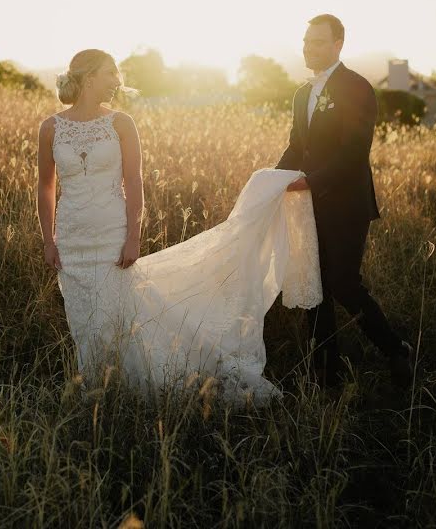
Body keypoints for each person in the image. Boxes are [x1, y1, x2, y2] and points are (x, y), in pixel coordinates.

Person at [37, 49, 322, 405]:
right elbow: (46, 187)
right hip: (72, 237)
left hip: (112, 233)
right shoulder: (51, 128)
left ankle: (135, 388)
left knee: (119, 315)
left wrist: (132, 237)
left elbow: (134, 182)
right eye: (110, 74)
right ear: (89, 77)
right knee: (84, 319)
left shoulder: (121, 123)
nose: (117, 81)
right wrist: (49, 240)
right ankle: (97, 388)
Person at [277, 14, 414, 388]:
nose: (308, 47)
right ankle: (326, 369)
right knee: (313, 282)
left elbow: (355, 150)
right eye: (306, 41)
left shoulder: (357, 87)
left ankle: (395, 349)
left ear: (338, 44)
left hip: (346, 202)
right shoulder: (301, 93)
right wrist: (273, 180)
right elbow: (296, 146)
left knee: (343, 282)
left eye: (318, 41)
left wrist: (311, 181)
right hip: (307, 202)